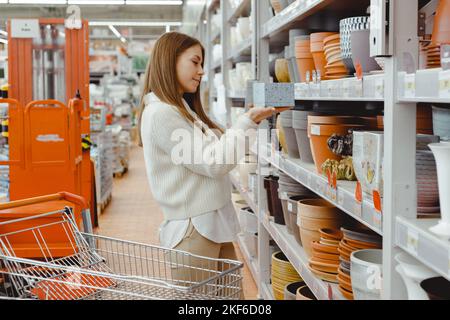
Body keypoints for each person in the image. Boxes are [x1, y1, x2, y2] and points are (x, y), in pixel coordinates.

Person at [138, 32, 286, 298]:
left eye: (202, 64)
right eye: (195, 62)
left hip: (209, 227)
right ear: (169, 60)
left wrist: (248, 120)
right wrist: (248, 121)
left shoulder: (179, 108)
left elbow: (213, 152)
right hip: (194, 233)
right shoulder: (161, 113)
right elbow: (214, 162)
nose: (201, 71)